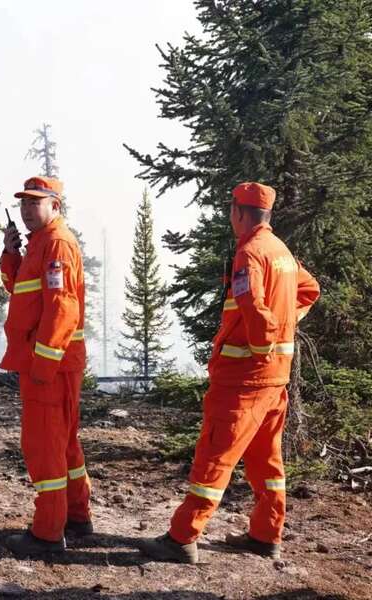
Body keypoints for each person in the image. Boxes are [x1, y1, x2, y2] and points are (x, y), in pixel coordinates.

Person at [139, 182, 320, 564]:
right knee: (266, 459)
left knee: (214, 455)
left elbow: (253, 305)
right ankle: (266, 534)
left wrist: (264, 342)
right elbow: (309, 291)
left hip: (244, 380)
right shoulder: (281, 252)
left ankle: (182, 537)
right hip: (274, 379)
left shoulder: (250, 253)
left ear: (239, 212)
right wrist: (284, 327)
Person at [0, 176, 91, 556]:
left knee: (44, 445)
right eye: (23, 203)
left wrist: (44, 362)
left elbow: (62, 308)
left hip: (50, 365)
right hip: (51, 362)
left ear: (55, 205)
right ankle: (77, 517)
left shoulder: (56, 243)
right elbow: (21, 291)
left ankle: (48, 533)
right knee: (64, 442)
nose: (26, 209)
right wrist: (10, 255)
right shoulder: (40, 242)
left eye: (34, 203)